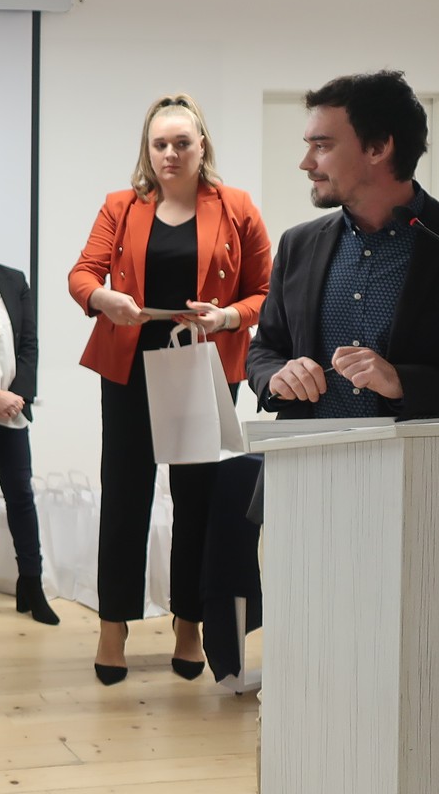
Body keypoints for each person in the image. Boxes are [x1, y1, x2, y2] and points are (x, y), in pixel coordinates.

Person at [67, 94, 271, 686]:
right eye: (160, 144)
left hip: (203, 366)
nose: (170, 153)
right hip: (129, 368)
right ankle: (113, 626)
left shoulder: (236, 207)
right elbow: (82, 274)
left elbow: (266, 292)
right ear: (147, 149)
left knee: (197, 501)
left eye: (182, 142)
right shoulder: (121, 206)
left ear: (202, 145)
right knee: (125, 497)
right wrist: (104, 299)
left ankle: (189, 623)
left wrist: (228, 317)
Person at [247, 69, 439, 421]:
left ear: (378, 148)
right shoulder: (298, 245)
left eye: (322, 146)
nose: (306, 163)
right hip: (306, 454)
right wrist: (276, 376)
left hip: (424, 457)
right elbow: (265, 350)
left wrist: (403, 383)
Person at [0, 199, 59, 625]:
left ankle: (31, 586)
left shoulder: (14, 280)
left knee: (21, 496)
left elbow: (29, 344)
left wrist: (16, 396)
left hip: (11, 411)